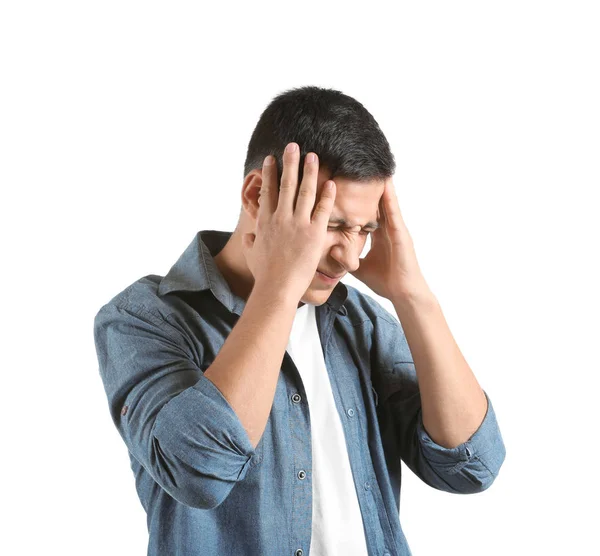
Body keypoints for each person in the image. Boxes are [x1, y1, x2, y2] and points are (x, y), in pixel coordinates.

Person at [93, 85, 506, 556]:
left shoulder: (360, 322)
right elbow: (199, 470)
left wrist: (414, 296)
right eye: (331, 225)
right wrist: (278, 286)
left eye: (364, 231)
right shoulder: (143, 318)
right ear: (256, 195)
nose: (350, 258)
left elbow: (471, 466)